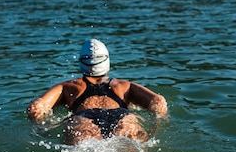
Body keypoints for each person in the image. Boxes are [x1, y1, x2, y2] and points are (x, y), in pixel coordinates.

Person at [27, 39, 168, 145]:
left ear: (82, 62)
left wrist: (43, 130)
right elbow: (158, 101)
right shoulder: (124, 86)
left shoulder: (69, 87)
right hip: (122, 116)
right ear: (107, 61)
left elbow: (36, 108)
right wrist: (156, 126)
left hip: (83, 119)